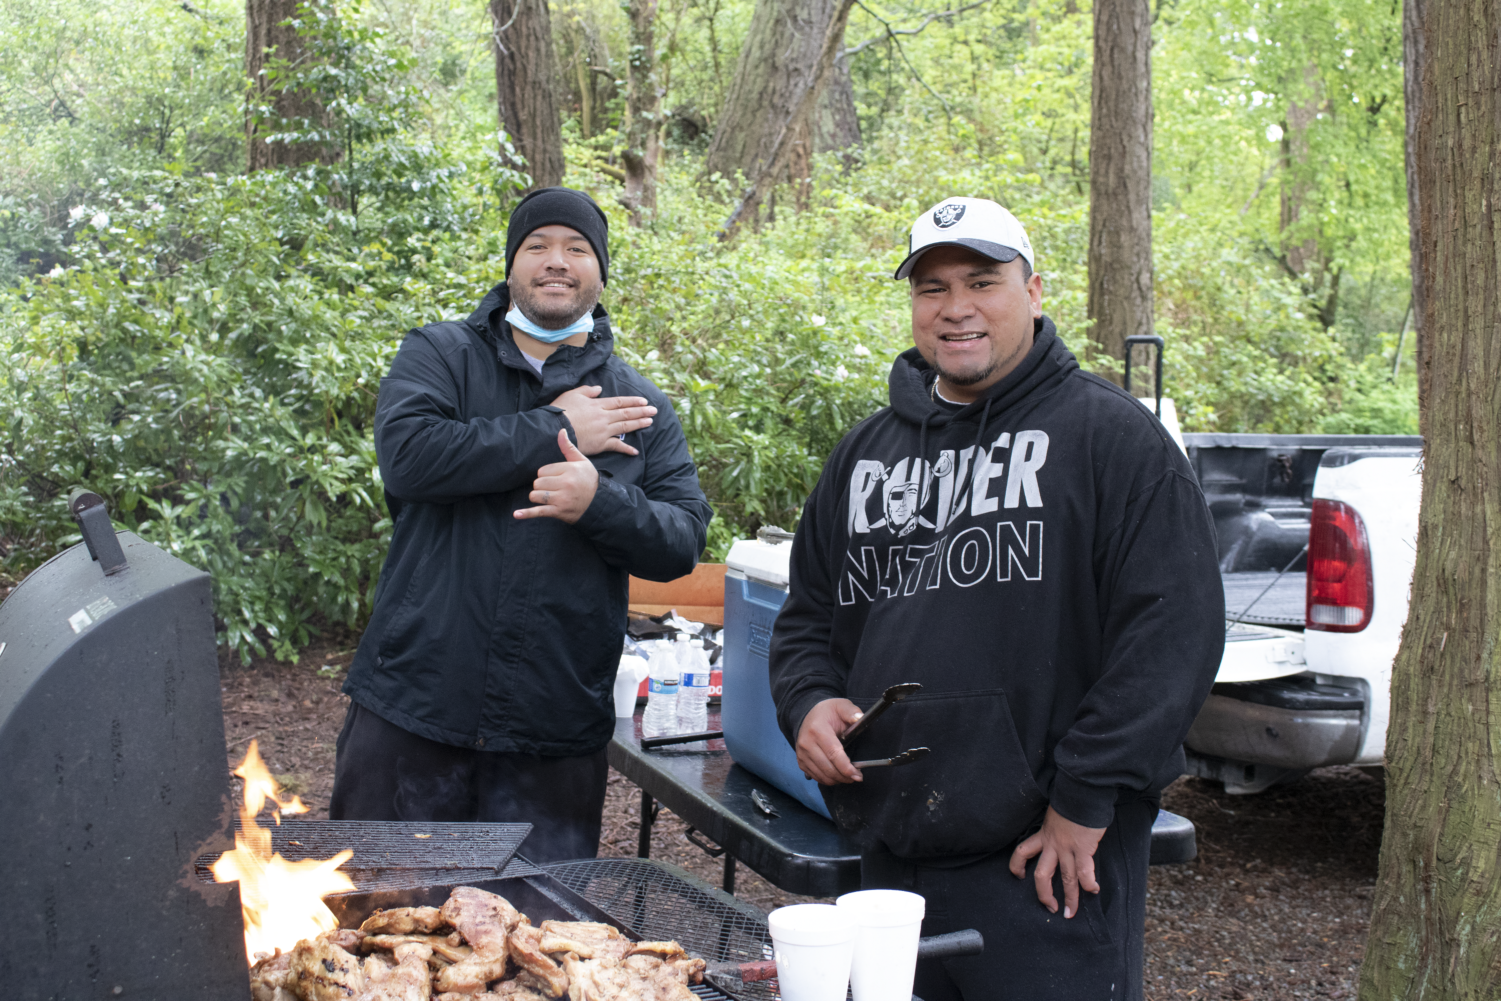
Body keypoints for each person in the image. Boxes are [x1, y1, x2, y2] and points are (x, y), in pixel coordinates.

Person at [769, 197, 1224, 999]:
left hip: (1047, 857)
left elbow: (1171, 638)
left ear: (1034, 290)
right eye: (931, 287)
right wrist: (807, 702)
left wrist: (1085, 801)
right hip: (892, 853)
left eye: (982, 281)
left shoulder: (1110, 438)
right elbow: (807, 614)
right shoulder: (864, 453)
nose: (956, 308)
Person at [332, 187, 712, 863]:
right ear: (512, 267)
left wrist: (599, 501)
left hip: (552, 729)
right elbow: (409, 460)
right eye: (536, 246)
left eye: (576, 248)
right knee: (374, 926)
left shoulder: (639, 404)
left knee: (534, 946)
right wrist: (557, 428)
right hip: (413, 709)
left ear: (600, 272)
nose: (555, 261)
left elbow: (682, 540)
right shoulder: (441, 354)